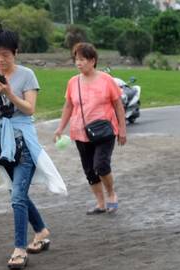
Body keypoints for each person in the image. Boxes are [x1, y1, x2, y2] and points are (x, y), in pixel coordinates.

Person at [0, 26, 65, 270]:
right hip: (1, 144)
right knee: (18, 193)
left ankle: (19, 249)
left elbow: (29, 109)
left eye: (5, 54)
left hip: (23, 142)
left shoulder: (27, 75)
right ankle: (42, 230)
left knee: (16, 196)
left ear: (15, 52)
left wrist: (10, 93)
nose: (0, 60)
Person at [54, 42, 127, 216]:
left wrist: (122, 129)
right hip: (80, 132)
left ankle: (111, 194)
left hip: (104, 131)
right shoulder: (73, 82)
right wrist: (60, 128)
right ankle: (100, 203)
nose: (79, 63)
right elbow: (68, 107)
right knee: (89, 170)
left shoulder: (106, 80)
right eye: (76, 60)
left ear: (92, 60)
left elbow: (118, 105)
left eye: (83, 59)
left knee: (101, 165)